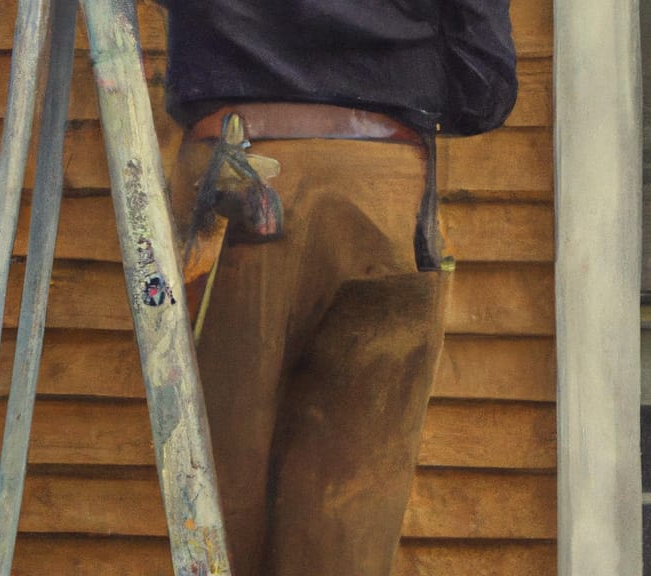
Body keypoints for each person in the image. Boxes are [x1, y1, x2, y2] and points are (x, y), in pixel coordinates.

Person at [155, 2, 518, 575]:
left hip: (239, 177)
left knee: (214, 500)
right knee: (350, 517)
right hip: (386, 188)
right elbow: (483, 91)